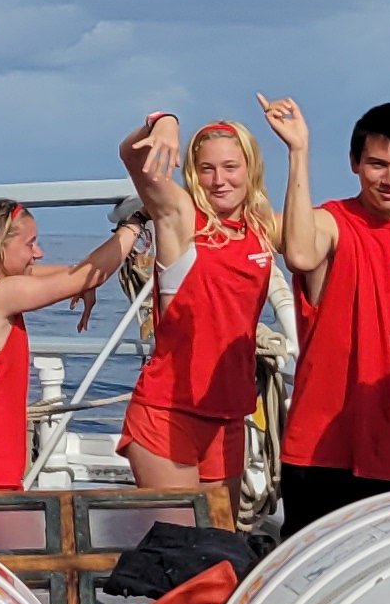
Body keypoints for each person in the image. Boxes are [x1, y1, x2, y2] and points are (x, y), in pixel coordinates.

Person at [263, 98, 390, 531]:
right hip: (320, 451)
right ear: (354, 163)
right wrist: (298, 151)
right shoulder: (334, 222)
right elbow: (298, 250)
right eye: (377, 164)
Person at [0, 200, 139, 493]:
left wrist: (78, 280)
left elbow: (68, 276)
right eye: (30, 244)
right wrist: (134, 225)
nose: (38, 253)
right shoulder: (0, 295)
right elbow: (91, 273)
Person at [115, 113, 278, 493]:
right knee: (178, 548)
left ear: (250, 169)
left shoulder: (262, 227)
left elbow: (318, 235)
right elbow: (130, 155)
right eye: (207, 169)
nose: (219, 181)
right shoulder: (183, 217)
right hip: (169, 412)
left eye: (230, 167)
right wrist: (161, 121)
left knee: (221, 547)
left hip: (230, 414)